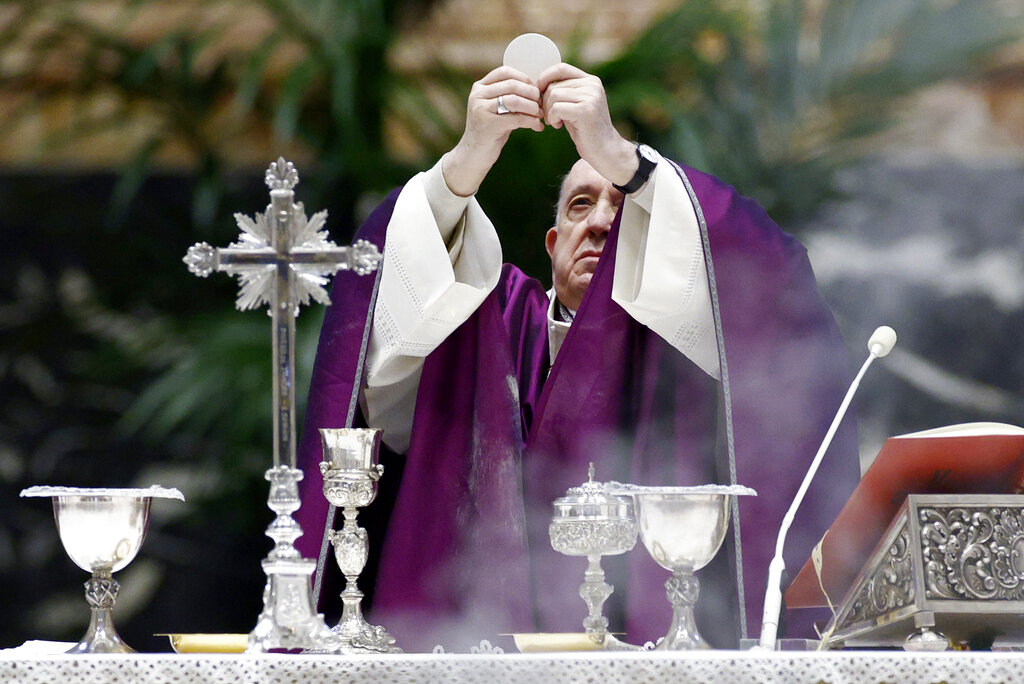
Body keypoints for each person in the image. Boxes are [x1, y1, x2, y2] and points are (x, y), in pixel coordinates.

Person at [295, 62, 860, 651]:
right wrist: (465, 162)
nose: (598, 224)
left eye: (621, 208)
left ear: (655, 241)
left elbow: (771, 283)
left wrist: (625, 160)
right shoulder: (482, 323)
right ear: (552, 242)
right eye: (580, 206)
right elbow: (390, 298)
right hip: (471, 644)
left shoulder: (684, 346)